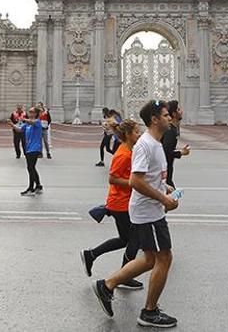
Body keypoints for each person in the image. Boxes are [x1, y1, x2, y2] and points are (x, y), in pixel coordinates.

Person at [92, 100, 180, 328]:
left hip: (149, 209)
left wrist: (165, 188)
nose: (169, 118)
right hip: (148, 212)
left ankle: (107, 285)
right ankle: (149, 312)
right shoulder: (146, 145)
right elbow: (135, 181)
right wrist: (163, 199)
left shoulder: (155, 143)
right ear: (154, 119)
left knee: (151, 259)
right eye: (165, 115)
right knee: (165, 258)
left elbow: (148, 177)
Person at [80, 118, 143, 290]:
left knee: (125, 240)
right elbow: (112, 178)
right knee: (133, 241)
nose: (140, 134)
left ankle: (91, 255)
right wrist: (134, 182)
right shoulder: (123, 154)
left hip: (123, 202)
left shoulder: (130, 150)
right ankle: (124, 276)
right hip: (120, 204)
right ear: (128, 135)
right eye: (137, 132)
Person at [15, 107, 45, 196]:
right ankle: (38, 185)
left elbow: (32, 122)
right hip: (28, 147)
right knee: (31, 167)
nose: (30, 113)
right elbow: (20, 130)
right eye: (29, 111)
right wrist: (12, 124)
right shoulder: (27, 124)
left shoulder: (37, 121)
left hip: (35, 148)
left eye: (32, 112)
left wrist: (23, 118)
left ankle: (31, 188)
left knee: (30, 167)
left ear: (36, 113)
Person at [162, 100, 190, 188]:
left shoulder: (174, 128)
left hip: (168, 170)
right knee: (173, 197)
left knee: (172, 197)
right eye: (178, 110)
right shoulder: (170, 131)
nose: (181, 111)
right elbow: (166, 151)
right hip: (164, 170)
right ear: (174, 114)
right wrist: (181, 152)